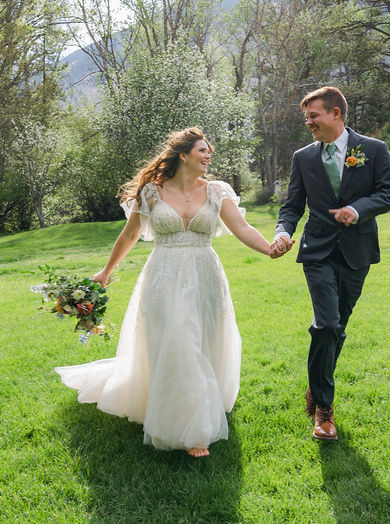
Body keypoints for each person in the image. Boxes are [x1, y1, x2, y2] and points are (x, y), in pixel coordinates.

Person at [55, 127, 288, 458]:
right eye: (202, 151)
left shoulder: (217, 191)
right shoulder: (152, 193)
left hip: (205, 273)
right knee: (179, 340)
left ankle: (197, 407)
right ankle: (194, 432)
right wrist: (105, 272)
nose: (208, 156)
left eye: (210, 152)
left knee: (200, 340)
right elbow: (130, 234)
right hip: (163, 275)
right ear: (184, 156)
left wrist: (268, 249)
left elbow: (242, 228)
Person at [271, 86, 390, 441]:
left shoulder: (372, 150)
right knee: (326, 324)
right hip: (317, 250)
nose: (309, 123)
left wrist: (358, 210)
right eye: (307, 117)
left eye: (313, 116)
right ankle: (324, 411)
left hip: (358, 252)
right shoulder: (303, 157)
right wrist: (283, 231)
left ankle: (316, 384)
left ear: (336, 114)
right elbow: (293, 205)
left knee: (337, 327)